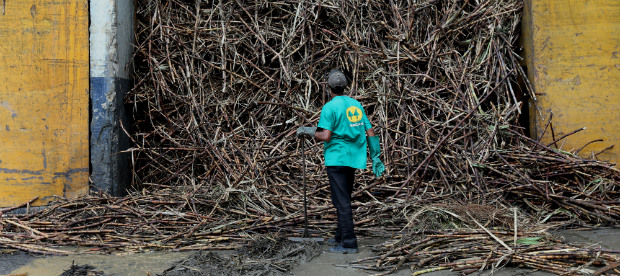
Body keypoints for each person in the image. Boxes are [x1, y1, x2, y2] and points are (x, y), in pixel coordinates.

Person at [297, 69, 385, 254]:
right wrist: (375, 155)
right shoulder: (355, 105)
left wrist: (309, 131)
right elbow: (370, 131)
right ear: (345, 87)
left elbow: (326, 135)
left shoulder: (330, 107)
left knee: (342, 201)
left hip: (337, 158)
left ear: (329, 88)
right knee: (342, 198)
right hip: (353, 158)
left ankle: (349, 243)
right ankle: (339, 236)